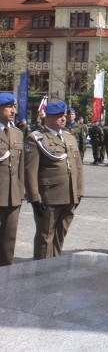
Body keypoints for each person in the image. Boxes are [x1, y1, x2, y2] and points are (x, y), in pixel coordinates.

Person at [24, 101, 83, 260]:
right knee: (45, 237)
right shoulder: (36, 139)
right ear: (47, 117)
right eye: (59, 115)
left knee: (60, 236)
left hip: (69, 196)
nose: (63, 118)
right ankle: (41, 272)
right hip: (49, 197)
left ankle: (55, 269)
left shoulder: (70, 138)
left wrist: (79, 191)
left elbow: (78, 166)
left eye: (64, 115)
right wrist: (35, 198)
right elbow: (30, 171)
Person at [0, 93, 24, 266]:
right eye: (9, 107)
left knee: (9, 240)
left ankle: (6, 273)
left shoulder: (17, 133)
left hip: (13, 196)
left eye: (14, 107)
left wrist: (20, 191)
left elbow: (21, 166)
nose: (13, 111)